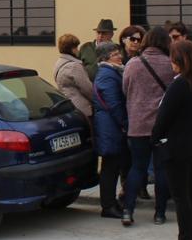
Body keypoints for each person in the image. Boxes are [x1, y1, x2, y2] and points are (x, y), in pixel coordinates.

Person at [152, 40, 192, 240]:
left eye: (173, 58)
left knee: (181, 196)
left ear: (181, 60)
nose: (170, 62)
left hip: (178, 146)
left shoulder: (180, 84)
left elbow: (164, 117)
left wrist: (155, 138)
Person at [121, 26, 175, 226]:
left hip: (137, 124)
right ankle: (160, 214)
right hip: (162, 126)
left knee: (137, 167)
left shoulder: (133, 64)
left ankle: (128, 211)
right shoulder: (170, 64)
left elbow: (125, 89)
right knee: (161, 169)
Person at [91, 41, 127, 219]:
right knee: (110, 167)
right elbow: (114, 104)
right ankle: (108, 205)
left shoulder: (111, 72)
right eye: (115, 54)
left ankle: (111, 203)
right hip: (109, 127)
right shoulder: (107, 75)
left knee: (112, 166)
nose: (120, 56)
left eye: (118, 53)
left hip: (110, 125)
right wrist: (125, 123)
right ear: (105, 58)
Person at [53, 33, 94, 118]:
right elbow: (87, 88)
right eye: (76, 47)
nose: (78, 50)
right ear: (72, 49)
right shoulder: (74, 66)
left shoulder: (59, 62)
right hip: (81, 109)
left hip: (68, 106)